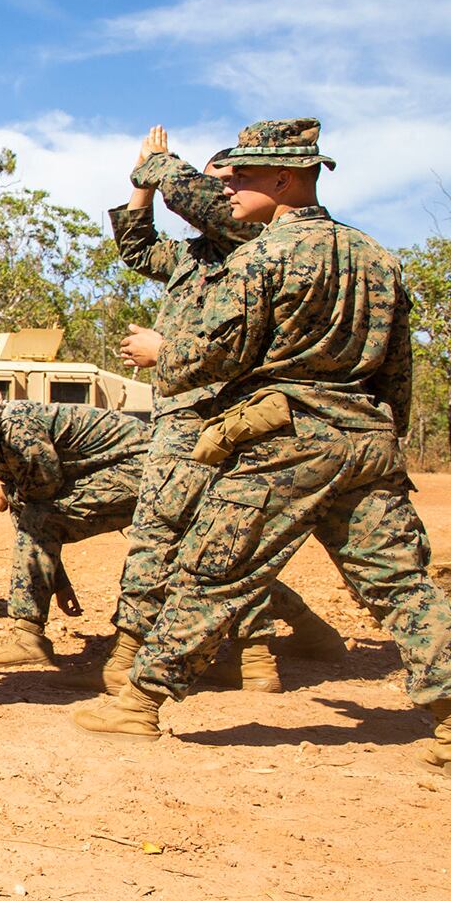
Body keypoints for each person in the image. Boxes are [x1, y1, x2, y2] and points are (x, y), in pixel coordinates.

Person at [72, 119, 451, 789]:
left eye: (239, 177)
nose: (227, 188)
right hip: (364, 437)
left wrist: (163, 356)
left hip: (286, 438)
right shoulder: (377, 255)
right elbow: (399, 367)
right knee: (401, 584)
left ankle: (138, 700)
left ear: (284, 179)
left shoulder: (264, 257)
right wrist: (387, 436)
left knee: (214, 569)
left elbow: (218, 351)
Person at [107, 125, 346, 692]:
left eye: (234, 181)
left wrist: (163, 166)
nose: (227, 192)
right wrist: (139, 181)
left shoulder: (258, 244)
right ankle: (240, 650)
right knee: (196, 533)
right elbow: (136, 247)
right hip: (186, 408)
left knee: (197, 533)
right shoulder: (196, 256)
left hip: (230, 409)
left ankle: (231, 653)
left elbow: (199, 197)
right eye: (224, 181)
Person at [0, 372, 146, 668]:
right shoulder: (0, 439)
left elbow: (43, 490)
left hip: (141, 469)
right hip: (129, 471)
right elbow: (28, 515)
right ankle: (29, 635)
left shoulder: (16, 424)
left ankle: (28, 639)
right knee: (34, 515)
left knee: (39, 514)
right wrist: (60, 585)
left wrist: (6, 493)